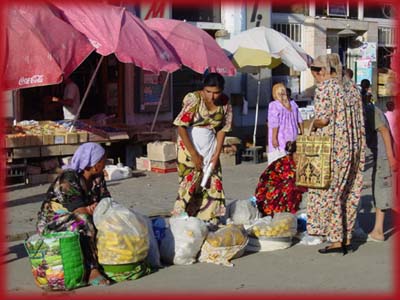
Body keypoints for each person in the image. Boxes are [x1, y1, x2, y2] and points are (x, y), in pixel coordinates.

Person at [36, 142, 110, 286]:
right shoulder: (68, 179)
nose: (105, 163)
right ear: (93, 163)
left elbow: (106, 200)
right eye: (103, 160)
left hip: (80, 215)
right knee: (84, 220)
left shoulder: (98, 177)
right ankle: (91, 270)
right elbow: (78, 209)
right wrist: (91, 209)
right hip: (53, 222)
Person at [306, 54, 354, 254]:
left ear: (323, 71)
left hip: (330, 148)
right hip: (349, 147)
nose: (314, 75)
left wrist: (309, 124)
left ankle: (336, 240)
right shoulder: (349, 88)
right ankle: (345, 236)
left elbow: (323, 120)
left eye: (315, 70)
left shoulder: (325, 89)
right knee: (345, 193)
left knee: (328, 193)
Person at [171, 72, 233, 225]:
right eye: (208, 92)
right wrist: (194, 155)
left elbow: (222, 129)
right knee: (190, 183)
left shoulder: (225, 103)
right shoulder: (194, 99)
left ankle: (210, 219)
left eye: (216, 92)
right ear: (203, 89)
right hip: (189, 147)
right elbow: (181, 127)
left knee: (213, 182)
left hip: (210, 145)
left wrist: (216, 154)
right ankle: (181, 220)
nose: (212, 97)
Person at [362, 87, 397, 242]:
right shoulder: (365, 111)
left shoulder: (370, 111)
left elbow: (383, 131)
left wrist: (390, 157)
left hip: (383, 155)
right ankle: (377, 229)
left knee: (381, 190)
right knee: (379, 190)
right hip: (379, 154)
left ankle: (378, 231)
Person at [338, 64, 367, 241]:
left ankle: (343, 233)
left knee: (340, 192)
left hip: (343, 148)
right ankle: (349, 231)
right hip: (355, 145)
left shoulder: (339, 92)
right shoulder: (356, 92)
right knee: (351, 189)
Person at [255, 141, 307, 216]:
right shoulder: (284, 163)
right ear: (292, 153)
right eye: (297, 154)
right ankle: (286, 214)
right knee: (292, 186)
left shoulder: (305, 164)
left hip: (282, 191)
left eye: (302, 155)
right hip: (268, 193)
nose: (299, 158)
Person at [267, 83, 303, 157]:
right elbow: (300, 120)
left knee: (279, 163)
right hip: (293, 137)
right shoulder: (293, 104)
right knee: (291, 161)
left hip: (280, 138)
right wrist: (302, 133)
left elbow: (275, 123)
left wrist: (274, 138)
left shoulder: (274, 105)